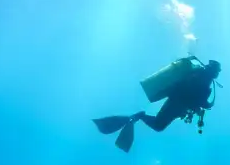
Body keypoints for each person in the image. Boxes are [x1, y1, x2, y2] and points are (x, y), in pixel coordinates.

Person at [93, 58, 222, 152]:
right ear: (214, 72)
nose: (217, 74)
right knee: (158, 126)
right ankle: (140, 115)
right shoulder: (203, 83)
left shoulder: (198, 76)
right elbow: (198, 101)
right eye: (217, 72)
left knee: (158, 125)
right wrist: (207, 105)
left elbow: (192, 97)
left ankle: (139, 116)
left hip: (175, 104)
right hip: (176, 105)